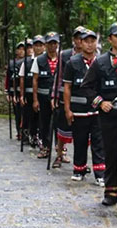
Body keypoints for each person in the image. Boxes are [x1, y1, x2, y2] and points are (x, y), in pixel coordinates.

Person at [80, 22, 117, 216]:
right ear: (110, 39)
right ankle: (111, 192)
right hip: (109, 118)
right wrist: (100, 102)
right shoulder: (101, 62)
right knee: (110, 154)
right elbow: (87, 86)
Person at [63, 29, 105, 185]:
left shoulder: (101, 62)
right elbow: (67, 87)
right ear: (80, 42)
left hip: (97, 110)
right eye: (86, 41)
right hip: (78, 109)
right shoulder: (72, 63)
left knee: (98, 142)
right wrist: (67, 110)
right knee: (80, 141)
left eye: (92, 41)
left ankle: (100, 173)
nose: (89, 44)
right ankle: (79, 169)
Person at [51, 25, 85, 168]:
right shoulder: (64, 55)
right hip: (65, 92)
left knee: (84, 131)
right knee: (62, 126)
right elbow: (58, 76)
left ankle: (82, 161)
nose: (79, 41)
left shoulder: (93, 55)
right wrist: (54, 95)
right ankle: (59, 154)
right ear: (73, 39)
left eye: (82, 38)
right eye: (77, 38)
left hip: (84, 95)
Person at [31, 32, 60, 159]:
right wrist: (35, 99)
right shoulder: (39, 60)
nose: (52, 46)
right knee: (44, 122)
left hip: (59, 97)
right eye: (50, 43)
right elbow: (35, 80)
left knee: (59, 124)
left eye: (54, 43)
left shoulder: (63, 59)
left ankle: (60, 150)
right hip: (43, 97)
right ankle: (45, 147)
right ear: (46, 45)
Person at [19, 38, 42, 146]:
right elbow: (22, 78)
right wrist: (22, 95)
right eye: (36, 45)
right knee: (28, 115)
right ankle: (26, 134)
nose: (38, 48)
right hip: (29, 94)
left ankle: (38, 136)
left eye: (40, 45)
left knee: (40, 117)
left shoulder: (46, 60)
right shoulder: (26, 62)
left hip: (42, 94)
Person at [6, 41, 25, 140]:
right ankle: (19, 131)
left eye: (23, 49)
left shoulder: (28, 62)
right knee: (17, 113)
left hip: (24, 91)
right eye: (19, 49)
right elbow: (8, 79)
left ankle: (25, 131)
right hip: (15, 91)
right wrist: (8, 92)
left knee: (24, 113)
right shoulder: (12, 63)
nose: (21, 51)